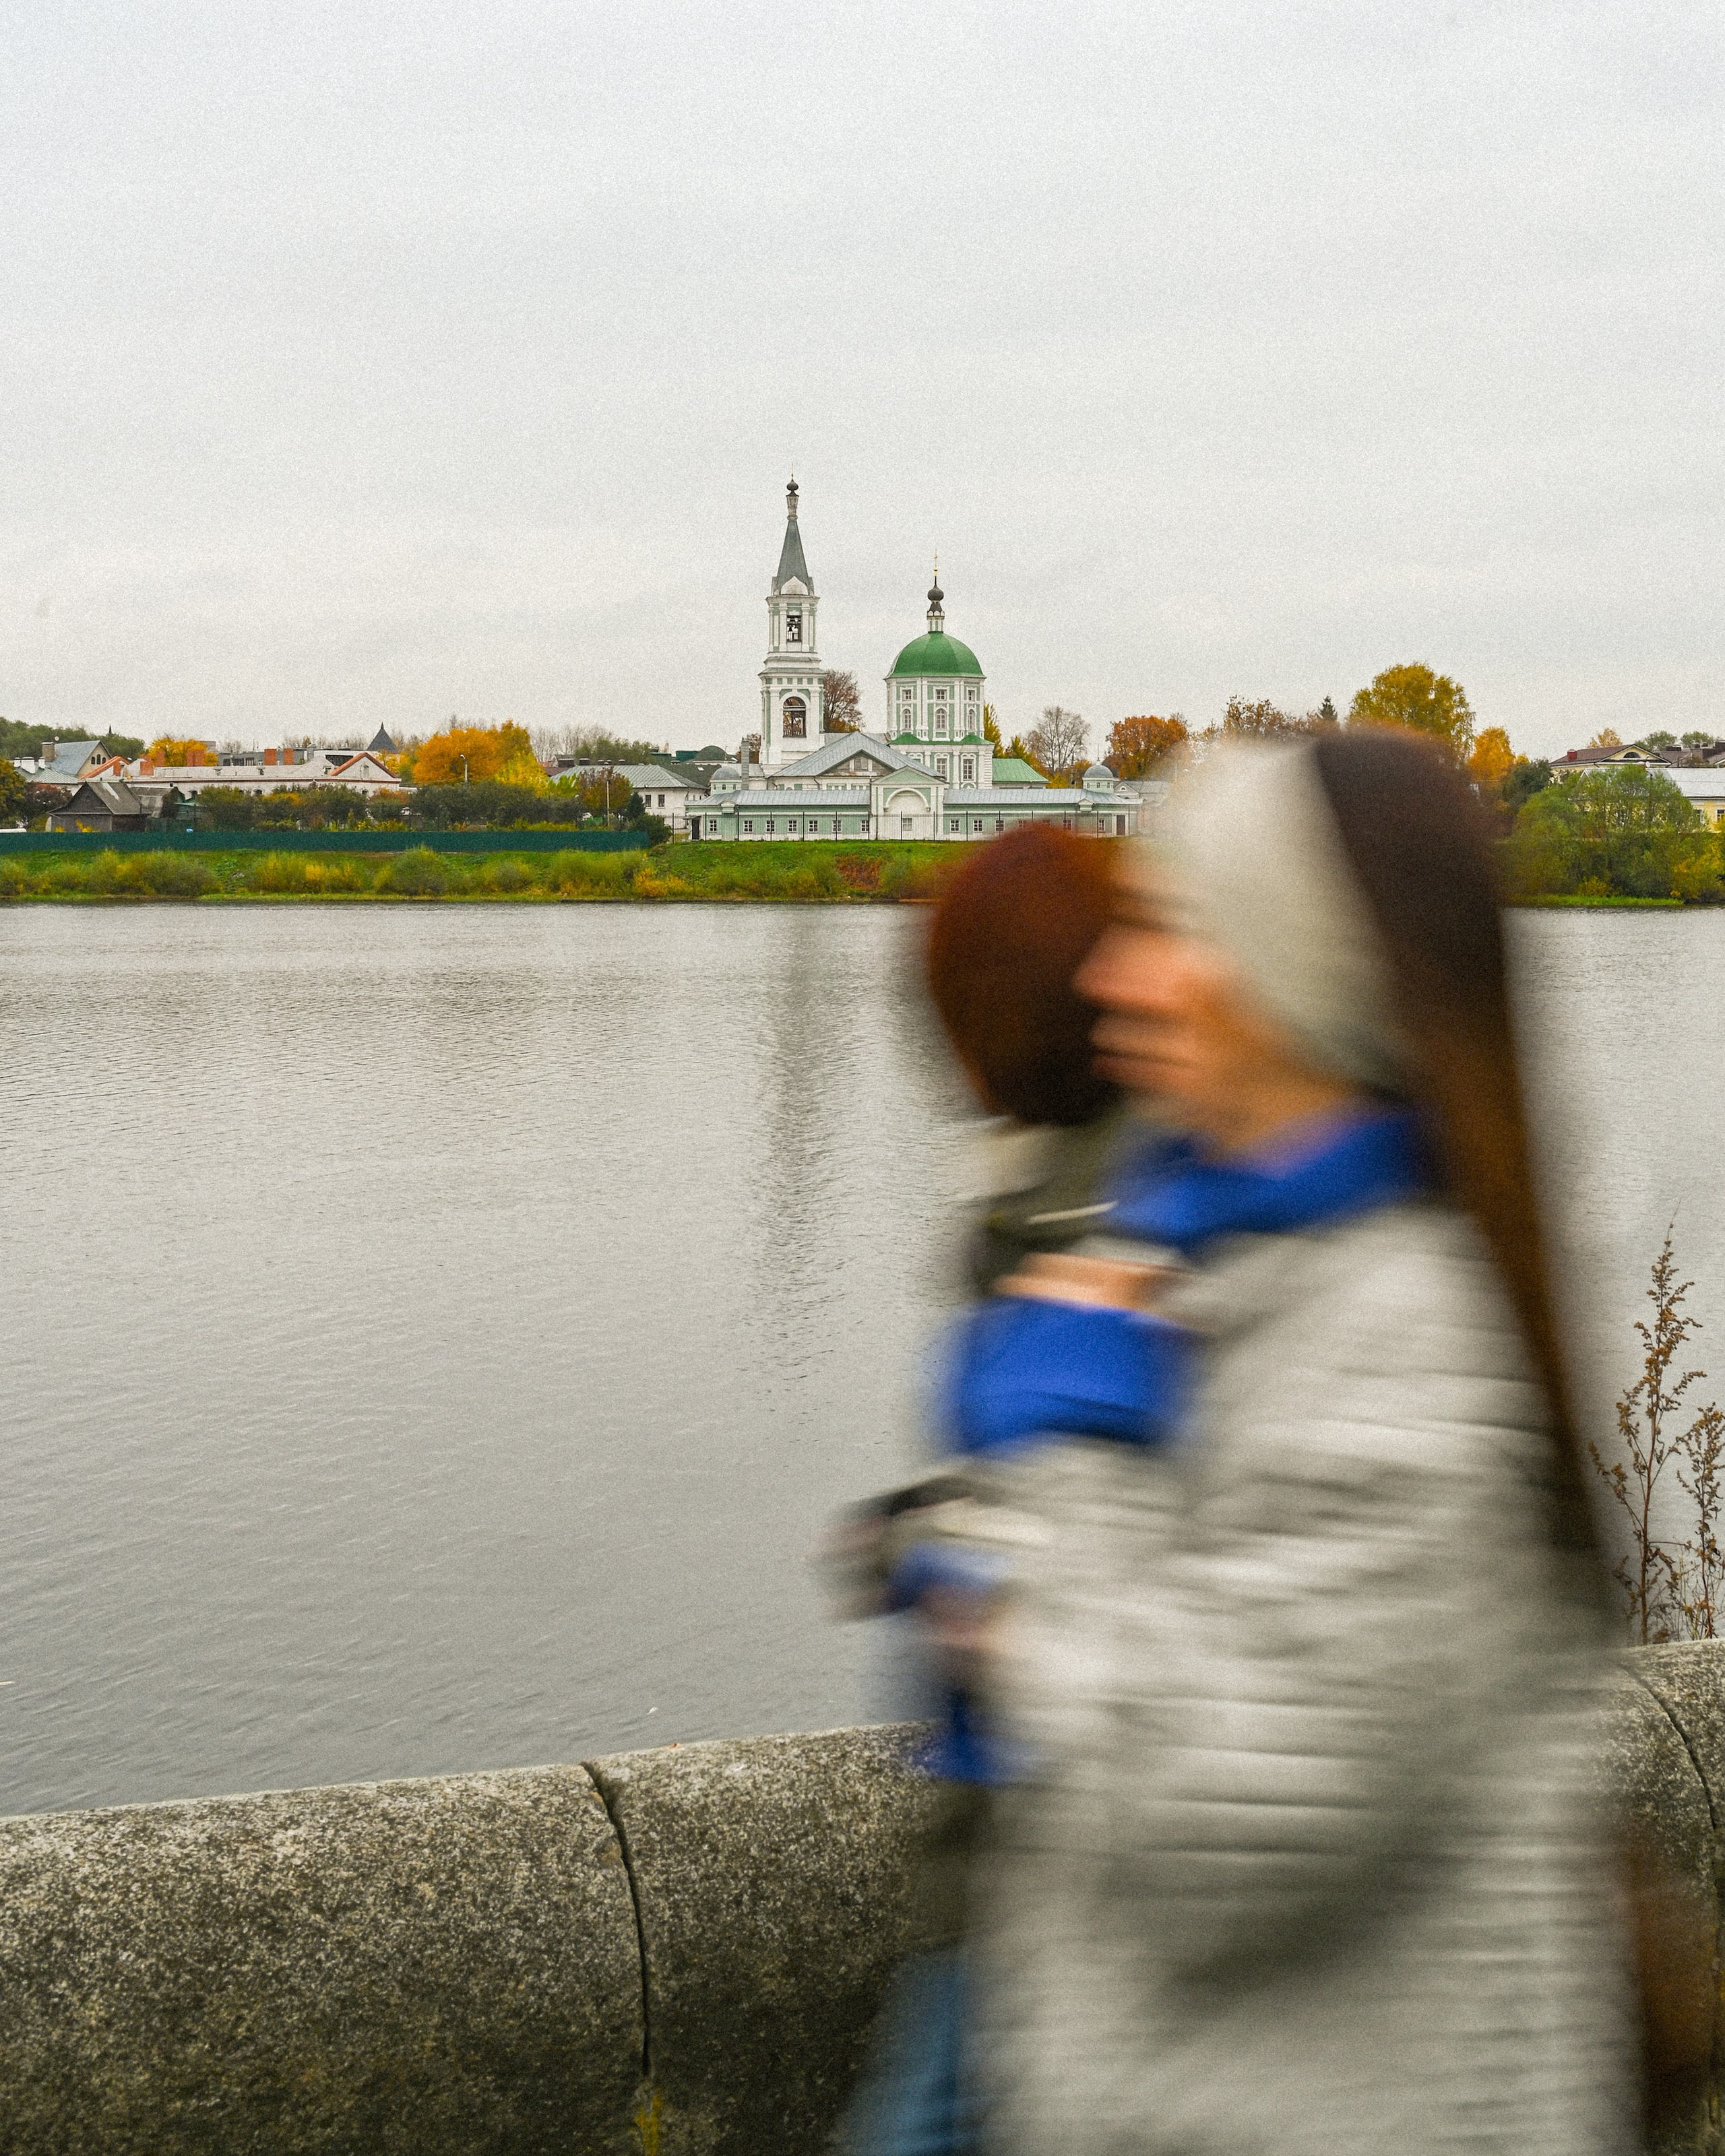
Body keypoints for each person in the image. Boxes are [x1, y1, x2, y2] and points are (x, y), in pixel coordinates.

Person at [966, 728, 1633, 2156]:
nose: (1108, 978)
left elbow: (1198, 1842)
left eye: (1162, 928)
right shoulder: (1229, 1271)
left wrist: (1066, 1469)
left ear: (1283, 974)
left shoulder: (1410, 1338)